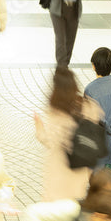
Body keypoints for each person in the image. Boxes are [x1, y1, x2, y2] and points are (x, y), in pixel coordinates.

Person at [34, 68, 103, 202]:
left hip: (59, 172)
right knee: (74, 208)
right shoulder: (89, 106)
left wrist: (39, 127)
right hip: (80, 170)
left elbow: (49, 141)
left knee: (55, 213)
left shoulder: (56, 112)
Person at [42, 0, 94, 68]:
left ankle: (65, 64)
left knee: (70, 40)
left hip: (74, 9)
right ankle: (62, 67)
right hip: (57, 9)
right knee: (61, 39)